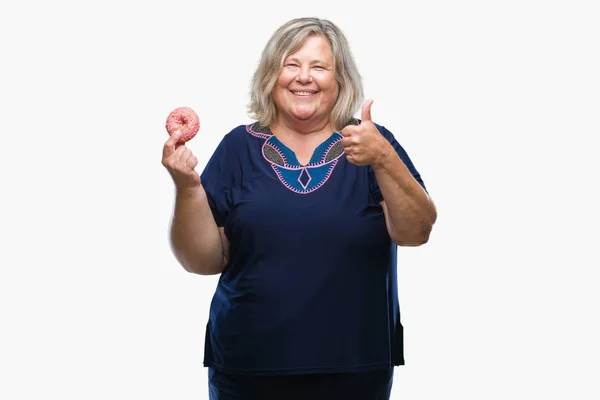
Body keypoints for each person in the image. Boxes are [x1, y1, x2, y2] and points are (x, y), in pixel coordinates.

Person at [162, 16, 437, 400]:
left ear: (340, 79)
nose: (303, 77)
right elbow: (201, 261)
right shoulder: (238, 147)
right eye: (291, 65)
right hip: (246, 366)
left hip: (356, 365)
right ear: (270, 76)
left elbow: (417, 232)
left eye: (319, 67)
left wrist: (384, 158)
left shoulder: (372, 143)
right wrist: (186, 185)